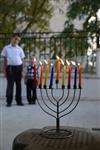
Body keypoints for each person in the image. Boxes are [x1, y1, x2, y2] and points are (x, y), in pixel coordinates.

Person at [1, 33, 25, 107]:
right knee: (10, 85)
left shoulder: (20, 49)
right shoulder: (6, 48)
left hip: (19, 68)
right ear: (12, 38)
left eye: (18, 40)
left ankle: (19, 101)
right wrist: (4, 71)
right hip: (10, 68)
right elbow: (4, 60)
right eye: (15, 39)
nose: (16, 41)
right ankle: (9, 101)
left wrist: (22, 71)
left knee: (19, 85)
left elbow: (22, 60)